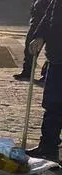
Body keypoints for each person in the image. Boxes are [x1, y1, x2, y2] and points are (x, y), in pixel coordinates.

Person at [27, 0, 61, 162]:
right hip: (56, 59)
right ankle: (48, 147)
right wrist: (40, 36)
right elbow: (49, 16)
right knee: (52, 105)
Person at [14, 0, 51, 82]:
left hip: (53, 16)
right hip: (38, 15)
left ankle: (47, 74)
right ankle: (27, 71)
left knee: (52, 50)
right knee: (30, 45)